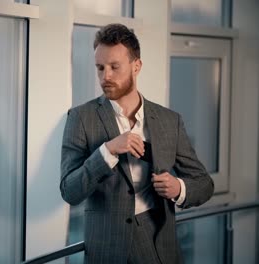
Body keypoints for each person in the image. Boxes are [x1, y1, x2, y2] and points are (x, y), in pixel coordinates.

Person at [60, 24, 214, 264]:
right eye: (99, 68)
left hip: (160, 249)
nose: (105, 76)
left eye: (114, 67)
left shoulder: (169, 120)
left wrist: (179, 189)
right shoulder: (80, 117)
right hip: (108, 252)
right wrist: (107, 151)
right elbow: (70, 191)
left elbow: (204, 184)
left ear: (136, 66)